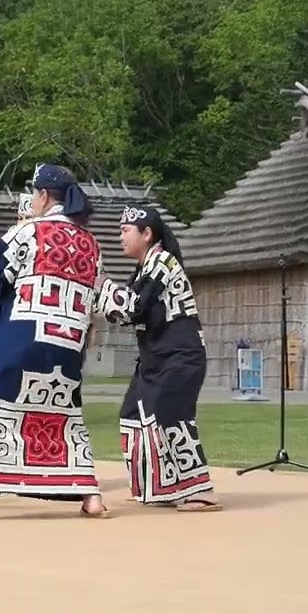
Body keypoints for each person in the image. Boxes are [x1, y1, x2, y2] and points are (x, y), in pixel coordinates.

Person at [0, 164, 109, 521]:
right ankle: (89, 494)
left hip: (21, 336)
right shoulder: (92, 243)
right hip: (67, 345)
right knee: (65, 413)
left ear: (41, 196)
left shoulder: (28, 231)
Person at [95, 204, 220, 511]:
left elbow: (132, 306)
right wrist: (101, 288)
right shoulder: (144, 269)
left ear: (147, 234)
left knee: (170, 414)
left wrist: (101, 283)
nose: (120, 237)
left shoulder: (162, 262)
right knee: (132, 415)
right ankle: (159, 487)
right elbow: (122, 313)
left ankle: (200, 489)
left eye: (125, 231)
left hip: (180, 356)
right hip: (155, 359)